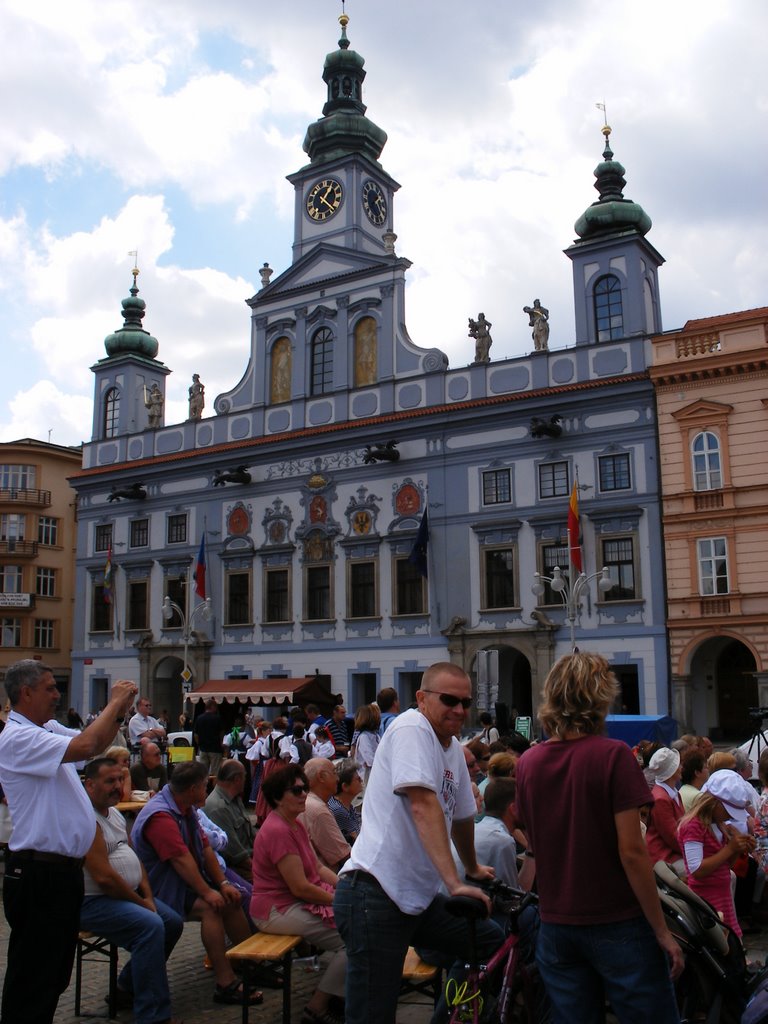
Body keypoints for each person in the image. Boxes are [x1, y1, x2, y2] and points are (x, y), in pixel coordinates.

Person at [515, 652, 683, 1024]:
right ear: (600, 696)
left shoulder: (527, 763)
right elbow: (632, 853)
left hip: (557, 924)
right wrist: (661, 930)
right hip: (617, 920)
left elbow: (534, 847)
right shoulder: (614, 757)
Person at [334, 662, 502, 1024]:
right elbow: (424, 805)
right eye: (449, 700)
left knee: (488, 942)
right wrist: (455, 883)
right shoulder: (411, 727)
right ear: (422, 698)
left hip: (416, 899)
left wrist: (471, 867)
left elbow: (461, 816)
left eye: (465, 702)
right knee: (372, 1015)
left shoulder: (454, 748)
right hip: (373, 892)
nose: (459, 709)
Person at [0, 660, 137, 1024]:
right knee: (33, 980)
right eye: (49, 688)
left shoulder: (43, 728)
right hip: (39, 872)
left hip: (59, 873)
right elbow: (88, 743)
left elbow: (96, 745)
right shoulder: (18, 737)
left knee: (52, 975)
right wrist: (114, 701)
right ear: (25, 693)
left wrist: (119, 712)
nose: (57, 694)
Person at [131, 760, 261, 1007]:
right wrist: (207, 892)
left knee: (231, 898)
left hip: (180, 883)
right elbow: (181, 861)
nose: (207, 790)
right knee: (212, 907)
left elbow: (204, 847)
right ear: (193, 788)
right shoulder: (161, 816)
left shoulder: (184, 807)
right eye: (204, 785)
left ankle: (251, 965)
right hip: (159, 889)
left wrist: (222, 883)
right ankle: (225, 982)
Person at [80, 757, 184, 1023]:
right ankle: (153, 1015)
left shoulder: (113, 813)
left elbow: (133, 856)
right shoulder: (84, 819)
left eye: (119, 780)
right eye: (109, 781)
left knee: (171, 922)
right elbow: (104, 878)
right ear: (89, 785)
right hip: (91, 902)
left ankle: (126, 988)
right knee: (150, 925)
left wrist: (147, 895)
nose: (117, 786)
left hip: (124, 896)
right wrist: (142, 902)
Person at [251, 763, 347, 1024]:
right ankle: (317, 1007)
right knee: (351, 939)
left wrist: (344, 886)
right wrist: (340, 900)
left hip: (292, 902)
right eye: (296, 790)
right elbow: (300, 887)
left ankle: (341, 995)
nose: (304, 793)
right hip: (275, 910)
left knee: (355, 927)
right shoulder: (278, 831)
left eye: (304, 788)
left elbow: (315, 867)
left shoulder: (295, 824)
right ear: (278, 797)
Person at [678, 776, 755, 939]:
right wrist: (730, 848)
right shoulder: (693, 826)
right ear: (714, 803)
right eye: (728, 811)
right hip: (706, 898)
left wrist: (738, 848)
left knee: (730, 941)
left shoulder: (719, 825)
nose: (729, 816)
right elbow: (696, 869)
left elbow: (726, 865)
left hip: (722, 896)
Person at [204, 759, 256, 882]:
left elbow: (252, 835)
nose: (245, 780)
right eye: (244, 777)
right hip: (236, 867)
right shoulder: (218, 807)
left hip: (249, 860)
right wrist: (261, 869)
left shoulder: (234, 798)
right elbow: (235, 854)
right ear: (237, 779)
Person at [302, 757, 351, 871]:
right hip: (324, 880)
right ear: (321, 777)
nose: (338, 779)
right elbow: (343, 855)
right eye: (334, 773)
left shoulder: (307, 802)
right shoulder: (318, 810)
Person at [645, 746, 686, 875]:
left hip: (674, 854)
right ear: (672, 772)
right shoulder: (661, 799)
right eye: (678, 765)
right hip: (664, 857)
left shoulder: (671, 793)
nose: (681, 768)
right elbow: (673, 837)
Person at [329, 759, 363, 844]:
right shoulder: (339, 811)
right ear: (345, 787)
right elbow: (357, 840)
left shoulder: (345, 805)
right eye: (358, 779)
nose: (361, 781)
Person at [350, 703, 380, 785]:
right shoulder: (364, 737)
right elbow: (370, 760)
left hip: (373, 777)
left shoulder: (375, 735)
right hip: (366, 779)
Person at [194, 698, 225, 777]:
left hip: (203, 749)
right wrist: (221, 742)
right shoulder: (217, 718)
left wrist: (200, 744)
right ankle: (215, 788)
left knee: (203, 773)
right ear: (213, 707)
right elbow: (221, 732)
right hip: (215, 749)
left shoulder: (199, 718)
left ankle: (204, 788)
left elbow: (196, 735)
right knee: (216, 773)